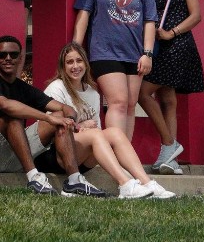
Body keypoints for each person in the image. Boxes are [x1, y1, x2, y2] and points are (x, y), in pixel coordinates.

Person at [0, 35, 105, 197]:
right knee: (12, 119)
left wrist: (70, 120)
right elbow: (6, 105)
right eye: (2, 55)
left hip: (15, 157)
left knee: (60, 116)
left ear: (20, 58)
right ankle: (34, 178)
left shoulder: (23, 87)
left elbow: (64, 108)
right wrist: (48, 118)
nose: (8, 58)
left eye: (13, 55)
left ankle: (74, 181)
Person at [43, 43, 176, 199]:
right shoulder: (57, 88)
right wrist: (81, 126)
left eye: (79, 61)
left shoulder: (92, 92)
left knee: (115, 133)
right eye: (69, 62)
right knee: (95, 135)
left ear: (86, 63)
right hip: (57, 156)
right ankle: (125, 184)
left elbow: (97, 131)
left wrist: (88, 131)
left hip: (83, 158)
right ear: (62, 67)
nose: (75, 66)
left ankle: (147, 183)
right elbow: (50, 127)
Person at [73, 0, 157, 136]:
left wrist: (147, 53)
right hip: (104, 52)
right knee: (118, 102)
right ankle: (114, 153)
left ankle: (124, 157)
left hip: (134, 53)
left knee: (130, 104)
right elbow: (84, 14)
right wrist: (75, 48)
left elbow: (149, 21)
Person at [137, 0, 204, 175]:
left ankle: (169, 144)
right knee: (167, 99)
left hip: (178, 46)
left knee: (142, 93)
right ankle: (170, 159)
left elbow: (196, 15)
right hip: (157, 48)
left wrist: (172, 32)